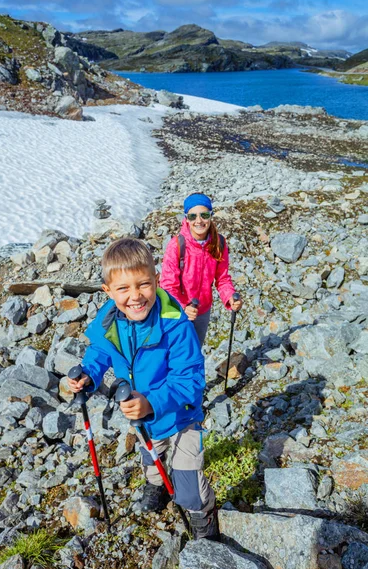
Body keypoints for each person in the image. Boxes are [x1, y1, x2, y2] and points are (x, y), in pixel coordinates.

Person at [67, 237, 218, 540]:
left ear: (156, 280)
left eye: (143, 285)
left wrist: (151, 402)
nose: (135, 296)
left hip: (181, 417)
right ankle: (156, 486)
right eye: (123, 288)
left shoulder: (175, 324)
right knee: (150, 459)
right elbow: (100, 351)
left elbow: (190, 381)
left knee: (189, 485)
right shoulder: (110, 319)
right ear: (107, 291)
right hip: (143, 417)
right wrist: (88, 375)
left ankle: (204, 523)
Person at [160, 192, 242, 346]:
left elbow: (222, 278)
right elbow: (167, 286)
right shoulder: (177, 245)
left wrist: (230, 296)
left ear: (211, 216)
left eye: (204, 215)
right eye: (192, 216)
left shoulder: (219, 243)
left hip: (203, 310)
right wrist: (183, 306)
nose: (199, 221)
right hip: (178, 311)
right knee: (177, 352)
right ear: (186, 219)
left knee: (196, 350)